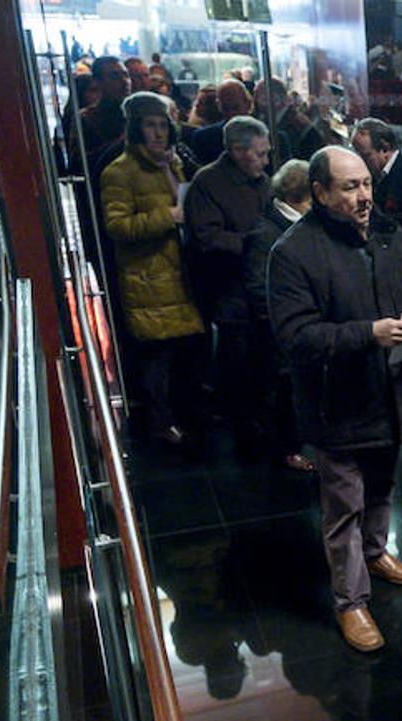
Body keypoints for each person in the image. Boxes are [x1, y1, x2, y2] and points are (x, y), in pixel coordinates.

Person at [268, 146, 402, 653]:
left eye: (366, 184)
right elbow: (296, 337)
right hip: (336, 403)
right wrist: (371, 333)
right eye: (350, 187)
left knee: (383, 487)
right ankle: (350, 601)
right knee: (344, 503)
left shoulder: (388, 232)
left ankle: (377, 552)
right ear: (319, 192)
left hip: (391, 391)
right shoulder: (293, 251)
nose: (364, 196)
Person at [102, 91, 205, 445]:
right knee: (156, 360)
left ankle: (186, 416)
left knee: (185, 356)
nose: (158, 133)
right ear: (136, 129)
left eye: (163, 125)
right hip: (148, 275)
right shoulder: (119, 171)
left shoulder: (174, 163)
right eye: (150, 125)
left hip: (182, 269)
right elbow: (117, 226)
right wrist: (167, 217)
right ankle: (160, 423)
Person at [184, 115, 271, 453]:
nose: (265, 162)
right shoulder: (208, 183)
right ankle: (243, 425)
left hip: (260, 284)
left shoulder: (262, 180)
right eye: (259, 154)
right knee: (238, 358)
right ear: (237, 151)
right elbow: (206, 238)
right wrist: (255, 243)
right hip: (229, 286)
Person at [242, 159, 313, 472]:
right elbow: (259, 288)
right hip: (280, 333)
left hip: (294, 328)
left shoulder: (287, 225)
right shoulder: (268, 232)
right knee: (284, 392)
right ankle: (287, 449)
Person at [351, 117, 402, 239]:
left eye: (366, 156)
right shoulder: (374, 176)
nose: (360, 162)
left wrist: (374, 222)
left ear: (385, 149)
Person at [187, 78, 253, 166]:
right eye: (226, 107)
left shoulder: (268, 134)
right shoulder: (204, 138)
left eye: (235, 107)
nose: (231, 113)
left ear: (248, 104)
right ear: (218, 106)